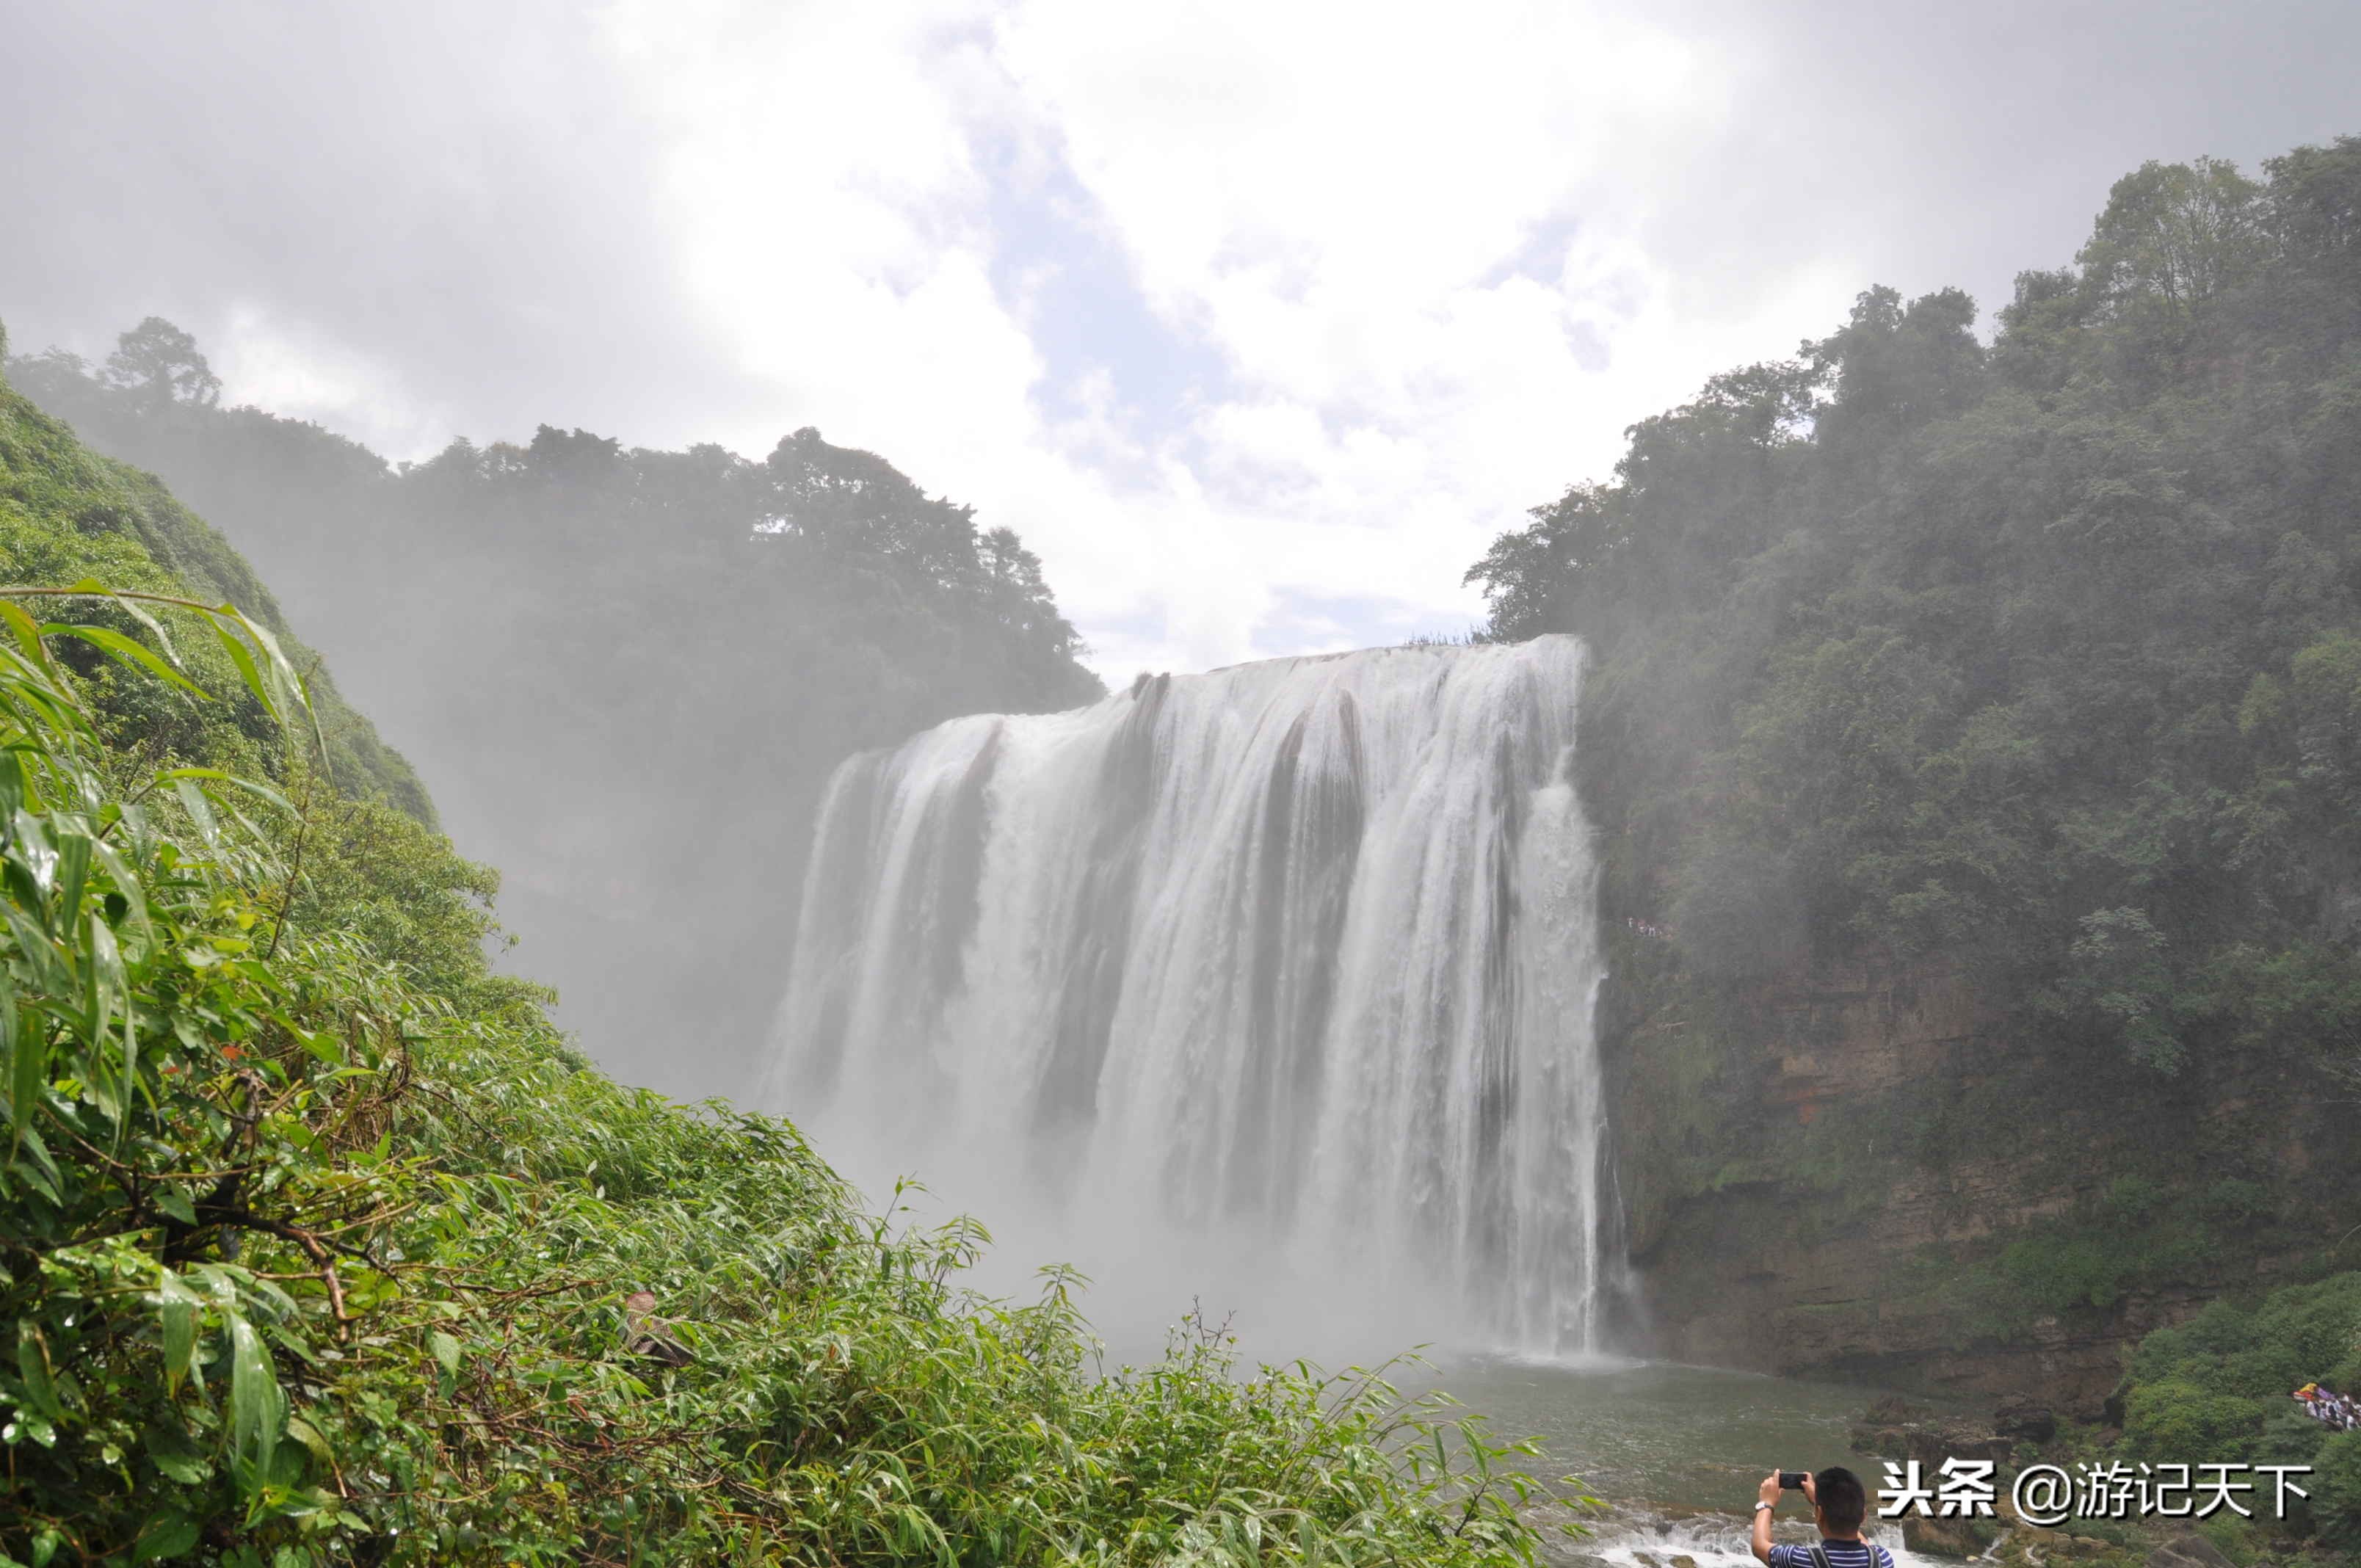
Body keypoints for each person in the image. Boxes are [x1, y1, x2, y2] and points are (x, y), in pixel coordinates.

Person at [1752, 1467, 1895, 1568]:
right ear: (1863, 1516)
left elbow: (1759, 1545)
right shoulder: (1882, 1559)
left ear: (1819, 1514)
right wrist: (1819, 1502)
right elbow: (1864, 1545)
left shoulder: (1800, 1560)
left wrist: (1767, 1503)